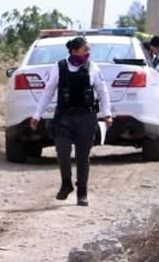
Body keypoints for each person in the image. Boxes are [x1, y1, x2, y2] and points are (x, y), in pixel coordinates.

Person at [30, 36, 112, 207]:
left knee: (83, 156)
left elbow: (102, 91)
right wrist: (37, 115)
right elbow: (48, 91)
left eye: (88, 50)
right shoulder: (59, 67)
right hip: (64, 116)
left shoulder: (93, 68)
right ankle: (66, 183)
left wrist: (107, 113)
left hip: (86, 117)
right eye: (85, 50)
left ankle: (82, 192)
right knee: (62, 150)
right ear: (74, 51)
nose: (88, 53)